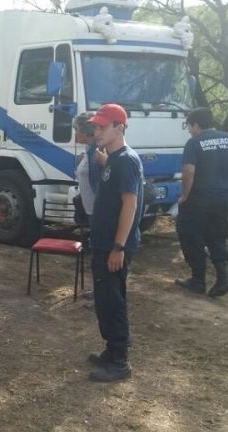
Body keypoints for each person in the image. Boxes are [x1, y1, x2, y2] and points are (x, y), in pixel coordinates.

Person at [86, 104, 144, 382]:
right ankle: (111, 350)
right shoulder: (114, 158)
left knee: (113, 300)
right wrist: (104, 163)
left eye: (102, 126)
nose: (96, 131)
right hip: (103, 242)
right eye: (95, 126)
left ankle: (120, 361)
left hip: (114, 245)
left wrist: (118, 246)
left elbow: (129, 205)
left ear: (119, 128)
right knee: (104, 299)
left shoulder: (127, 160)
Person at [175, 107, 228, 297]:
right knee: (217, 236)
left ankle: (198, 280)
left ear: (196, 125)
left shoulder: (194, 142)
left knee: (190, 236)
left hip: (199, 199)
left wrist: (184, 196)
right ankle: (223, 279)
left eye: (190, 127)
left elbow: (189, 172)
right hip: (222, 198)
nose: (190, 131)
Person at [73, 112, 103, 222]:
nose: (75, 134)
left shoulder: (97, 152)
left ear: (85, 132)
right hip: (90, 210)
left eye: (76, 130)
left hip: (98, 210)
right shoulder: (88, 150)